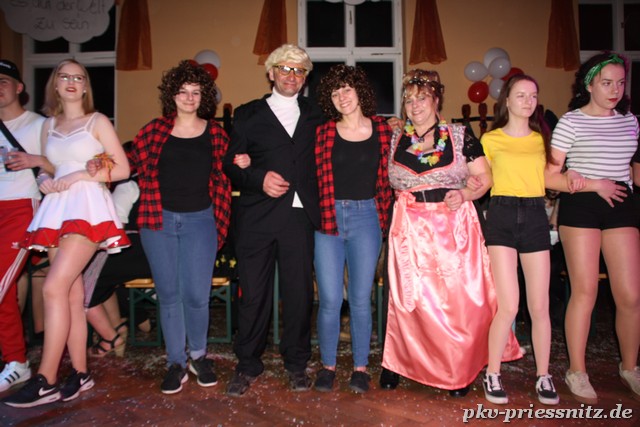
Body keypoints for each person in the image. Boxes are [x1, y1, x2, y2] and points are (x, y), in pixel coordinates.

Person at [382, 69, 521, 398]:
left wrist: (466, 194)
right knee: (407, 299)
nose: (415, 105)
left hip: (452, 228)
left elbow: (485, 179)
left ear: (437, 100)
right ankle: (398, 363)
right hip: (409, 230)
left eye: (422, 98)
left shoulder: (459, 135)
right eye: (409, 100)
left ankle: (458, 367)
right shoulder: (396, 136)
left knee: (456, 302)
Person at [2, 59, 130, 408]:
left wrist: (79, 176)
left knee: (53, 287)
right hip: (57, 209)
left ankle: (46, 378)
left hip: (87, 207)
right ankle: (81, 373)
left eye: (78, 77)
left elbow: (123, 168)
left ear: (85, 86)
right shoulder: (49, 125)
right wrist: (45, 177)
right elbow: (48, 166)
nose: (71, 81)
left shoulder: (97, 121)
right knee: (71, 295)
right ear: (55, 85)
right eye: (64, 76)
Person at [222, 44, 323, 396]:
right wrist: (258, 177)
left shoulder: (318, 113)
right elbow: (230, 163)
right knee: (253, 295)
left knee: (299, 294)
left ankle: (296, 363)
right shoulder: (248, 114)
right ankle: (248, 363)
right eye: (284, 68)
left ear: (305, 77)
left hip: (299, 216)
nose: (291, 76)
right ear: (271, 73)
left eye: (298, 70)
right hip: (257, 216)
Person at [127, 60, 231, 394]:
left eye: (195, 92)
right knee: (169, 295)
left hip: (201, 220)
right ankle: (175, 361)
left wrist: (241, 162)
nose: (189, 98)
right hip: (158, 220)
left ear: (204, 96)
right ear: (172, 95)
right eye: (183, 91)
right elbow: (127, 162)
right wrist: (99, 161)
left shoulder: (216, 133)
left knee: (197, 296)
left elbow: (229, 170)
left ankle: (198, 356)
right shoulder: (153, 131)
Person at [545, 52, 640, 404]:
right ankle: (577, 371)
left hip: (621, 205)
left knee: (630, 295)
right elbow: (549, 176)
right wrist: (594, 184)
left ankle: (629, 367)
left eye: (620, 83)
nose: (615, 90)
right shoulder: (571, 122)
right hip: (582, 205)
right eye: (606, 83)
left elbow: (631, 171)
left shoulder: (630, 121)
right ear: (589, 85)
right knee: (585, 291)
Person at [311, 65, 393, 393]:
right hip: (328, 219)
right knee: (330, 299)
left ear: (360, 91)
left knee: (360, 298)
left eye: (347, 89)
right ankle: (328, 366)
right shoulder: (323, 133)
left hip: (367, 218)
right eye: (335, 92)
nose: (342, 96)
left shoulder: (384, 130)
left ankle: (360, 367)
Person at [481, 74, 559, 406]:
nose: (528, 101)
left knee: (539, 306)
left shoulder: (543, 140)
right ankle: (492, 372)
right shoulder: (490, 139)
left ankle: (544, 374)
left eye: (533, 95)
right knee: (509, 305)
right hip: (501, 214)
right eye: (521, 95)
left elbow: (554, 179)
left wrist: (587, 181)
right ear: (507, 101)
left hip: (535, 216)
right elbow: (479, 180)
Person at [0, 59, 49, 394]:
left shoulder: (39, 125)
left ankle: (17, 362)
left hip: (21, 208)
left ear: (19, 87)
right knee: (4, 292)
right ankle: (16, 361)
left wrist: (36, 160)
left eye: (4, 81)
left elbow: (63, 165)